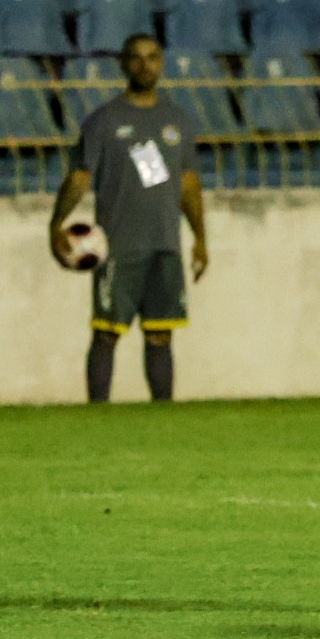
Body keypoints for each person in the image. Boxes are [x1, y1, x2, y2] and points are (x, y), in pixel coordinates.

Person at [49, 34, 208, 405]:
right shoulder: (104, 122)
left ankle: (163, 414)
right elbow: (80, 178)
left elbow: (188, 184)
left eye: (152, 57)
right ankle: (97, 413)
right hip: (119, 246)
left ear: (162, 63)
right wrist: (55, 224)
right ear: (123, 64)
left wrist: (200, 238)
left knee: (161, 335)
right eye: (136, 58)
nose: (144, 65)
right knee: (106, 333)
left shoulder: (177, 121)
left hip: (165, 245)